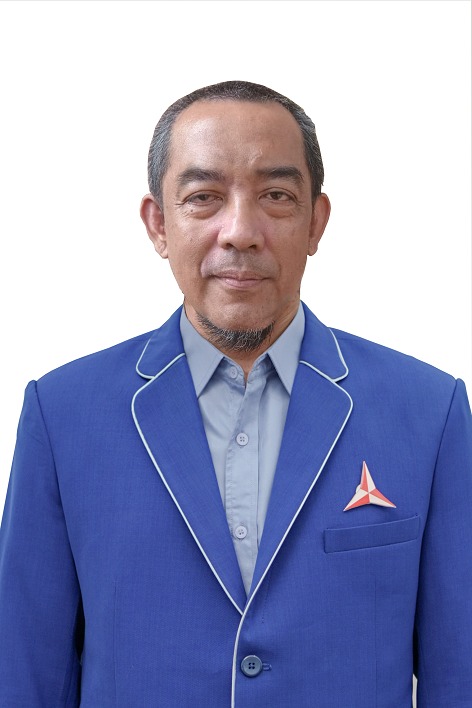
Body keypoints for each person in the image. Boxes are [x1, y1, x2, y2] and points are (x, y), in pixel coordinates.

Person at [0, 80, 471, 708]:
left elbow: (459, 674)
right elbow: (24, 675)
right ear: (159, 224)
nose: (241, 232)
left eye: (276, 196)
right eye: (204, 197)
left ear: (316, 221)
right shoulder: (62, 416)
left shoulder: (430, 413)